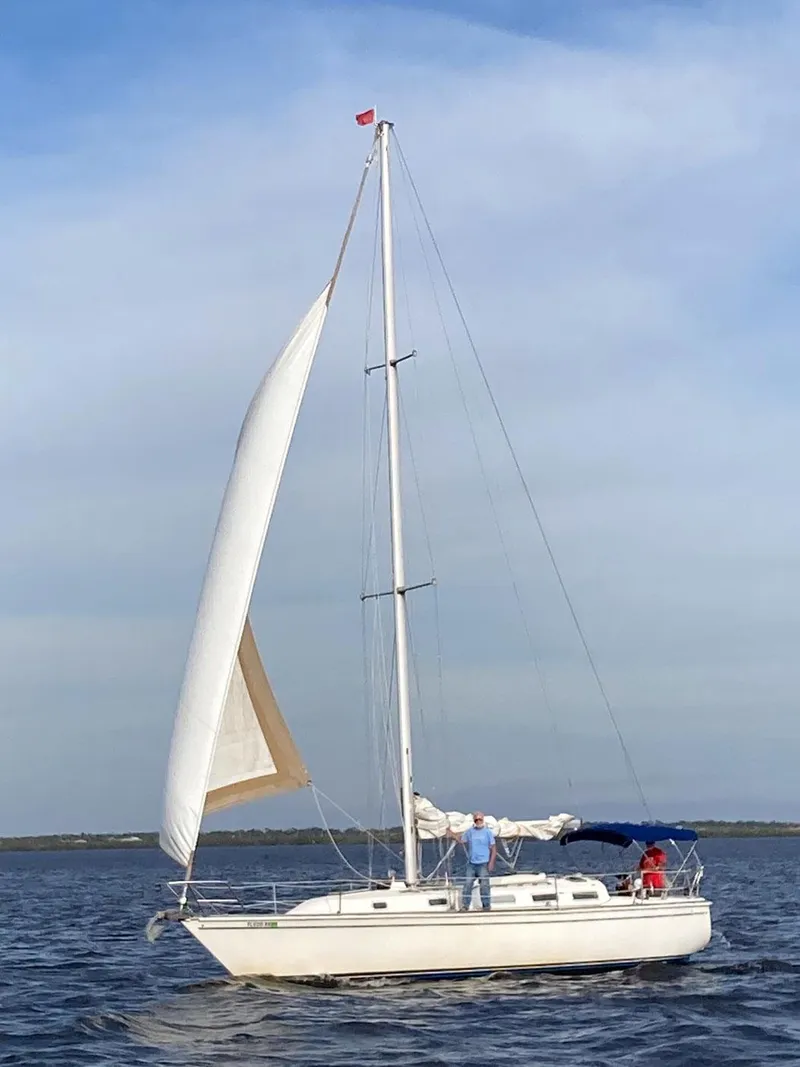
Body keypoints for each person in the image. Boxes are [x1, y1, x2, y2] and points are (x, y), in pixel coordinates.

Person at [449, 812, 496, 911]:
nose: (478, 821)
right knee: (467, 884)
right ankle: (465, 906)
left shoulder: (487, 832)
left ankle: (486, 906)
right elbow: (461, 840)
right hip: (472, 863)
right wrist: (451, 833)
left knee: (484, 885)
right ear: (474, 821)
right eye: (476, 820)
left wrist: (491, 862)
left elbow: (493, 848)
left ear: (483, 820)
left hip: (483, 863)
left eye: (480, 819)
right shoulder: (470, 832)